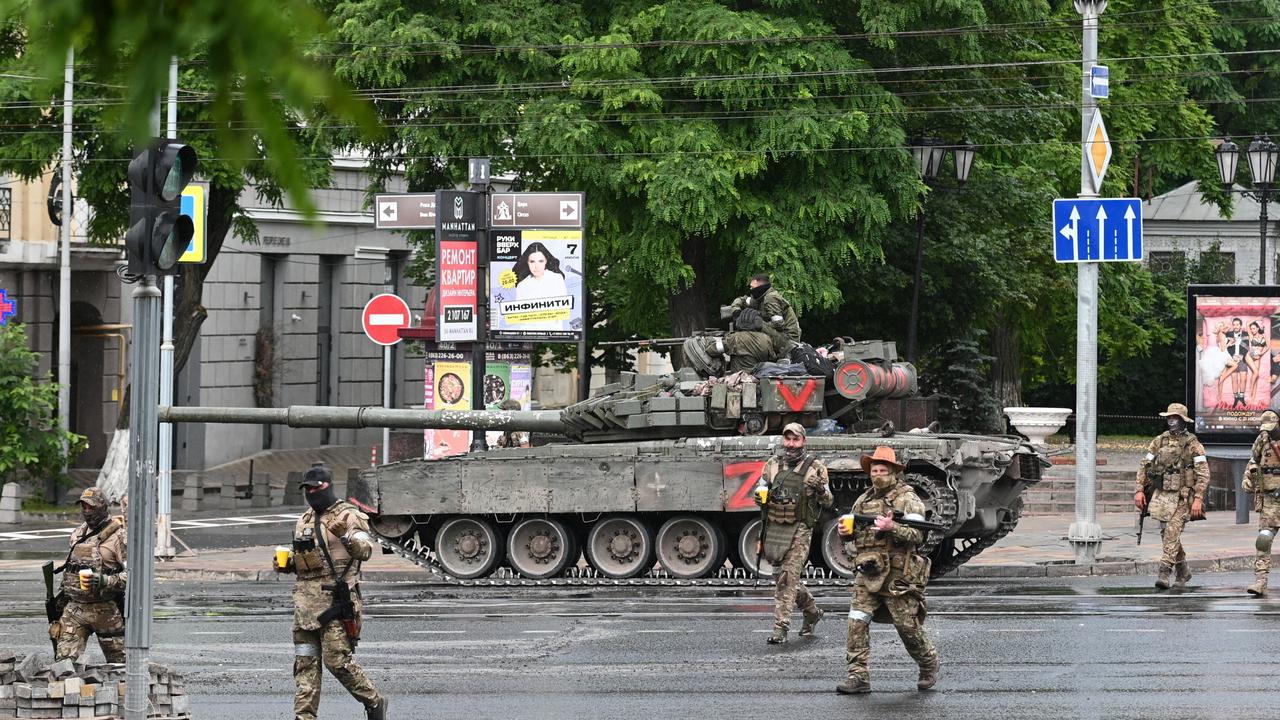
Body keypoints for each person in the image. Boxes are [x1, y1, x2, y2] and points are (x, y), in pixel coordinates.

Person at [277, 464, 387, 720]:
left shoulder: (348, 515)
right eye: (307, 489)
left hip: (336, 603)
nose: (312, 493)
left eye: (316, 488)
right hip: (305, 605)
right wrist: (287, 564)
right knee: (305, 664)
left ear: (328, 485)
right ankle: (304, 716)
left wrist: (345, 535)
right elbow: (304, 559)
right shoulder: (304, 519)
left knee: (337, 662)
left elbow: (365, 551)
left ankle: (374, 701)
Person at [836, 446, 938, 694]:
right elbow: (856, 538)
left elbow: (919, 536)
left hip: (897, 574)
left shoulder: (907, 499)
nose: (877, 474)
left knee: (906, 626)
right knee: (856, 621)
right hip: (868, 571)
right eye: (874, 470)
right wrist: (846, 534)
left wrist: (893, 527)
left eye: (883, 470)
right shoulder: (863, 501)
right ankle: (858, 675)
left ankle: (928, 662)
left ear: (894, 472)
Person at [753, 422, 833, 644]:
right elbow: (759, 490)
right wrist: (759, 496)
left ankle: (781, 628)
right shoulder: (772, 465)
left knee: (788, 578)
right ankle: (812, 611)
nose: (791, 444)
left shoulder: (815, 468)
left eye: (795, 439)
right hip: (775, 527)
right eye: (787, 439)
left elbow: (829, 501)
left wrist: (819, 489)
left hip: (800, 529)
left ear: (803, 441)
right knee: (781, 577)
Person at [1134, 403, 1210, 589]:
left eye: (1175, 417)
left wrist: (1198, 498)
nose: (1171, 420)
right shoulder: (1159, 441)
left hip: (1184, 496)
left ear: (1183, 421)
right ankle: (1183, 570)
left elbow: (1204, 473)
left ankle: (1164, 572)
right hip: (1162, 496)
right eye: (1169, 417)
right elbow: (1145, 465)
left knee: (1171, 532)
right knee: (1166, 534)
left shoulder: (1193, 444)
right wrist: (1139, 490)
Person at [51, 487, 126, 663]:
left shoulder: (119, 537)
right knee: (64, 666)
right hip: (75, 609)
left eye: (91, 507)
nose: (86, 511)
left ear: (103, 506)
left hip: (106, 610)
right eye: (83, 507)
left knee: (120, 666)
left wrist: (104, 580)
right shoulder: (78, 534)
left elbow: (134, 577)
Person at [1244, 410, 1280, 596]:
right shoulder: (1262, 439)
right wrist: (1249, 476)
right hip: (1270, 499)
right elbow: (1253, 460)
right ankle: (1260, 582)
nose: (1268, 431)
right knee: (1264, 539)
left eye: (1271, 427)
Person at [511, 242, 571, 332]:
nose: (536, 266)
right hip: (528, 332)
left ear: (546, 261)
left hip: (553, 332)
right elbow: (519, 315)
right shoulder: (522, 285)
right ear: (527, 262)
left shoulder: (557, 279)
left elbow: (564, 308)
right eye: (532, 261)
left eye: (540, 261)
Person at [730, 273, 801, 343]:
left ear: (760, 287)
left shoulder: (770, 298)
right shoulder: (759, 297)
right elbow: (741, 300)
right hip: (778, 335)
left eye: (752, 287)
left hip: (788, 339)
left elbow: (779, 325)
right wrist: (736, 311)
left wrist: (757, 322)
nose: (750, 289)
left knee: (752, 322)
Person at [723, 308, 788, 373]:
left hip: (737, 377)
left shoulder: (733, 338)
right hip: (759, 376)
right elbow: (772, 358)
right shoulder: (766, 338)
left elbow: (714, 349)